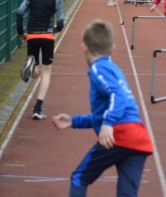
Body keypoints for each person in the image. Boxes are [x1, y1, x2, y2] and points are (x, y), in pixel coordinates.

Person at [52, 19, 153, 197]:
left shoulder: (98, 68)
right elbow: (107, 109)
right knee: (127, 193)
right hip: (138, 138)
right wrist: (74, 121)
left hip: (118, 133)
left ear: (84, 47)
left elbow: (117, 95)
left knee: (79, 178)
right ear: (112, 48)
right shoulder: (114, 69)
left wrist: (108, 123)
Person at [16, 0, 65, 119]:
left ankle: (31, 67)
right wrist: (55, 30)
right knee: (46, 72)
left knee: (36, 69)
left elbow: (19, 12)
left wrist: (21, 33)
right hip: (47, 36)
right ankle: (37, 109)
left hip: (32, 35)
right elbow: (61, 21)